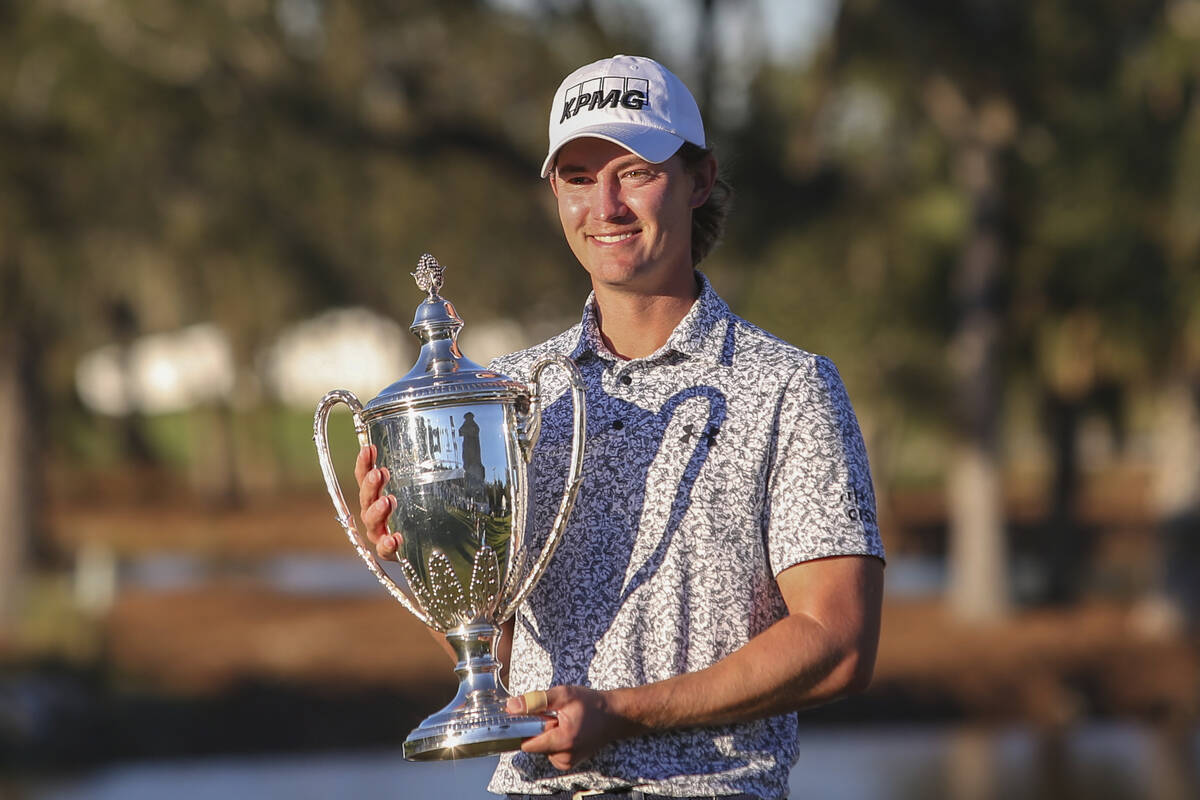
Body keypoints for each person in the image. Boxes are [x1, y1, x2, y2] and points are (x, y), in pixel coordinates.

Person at [355, 54, 885, 800]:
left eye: (634, 171)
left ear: (700, 180)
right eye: (577, 177)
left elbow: (838, 643)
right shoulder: (509, 396)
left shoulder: (790, 387)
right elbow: (506, 655)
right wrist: (425, 555)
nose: (605, 204)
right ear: (554, 193)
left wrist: (621, 716)